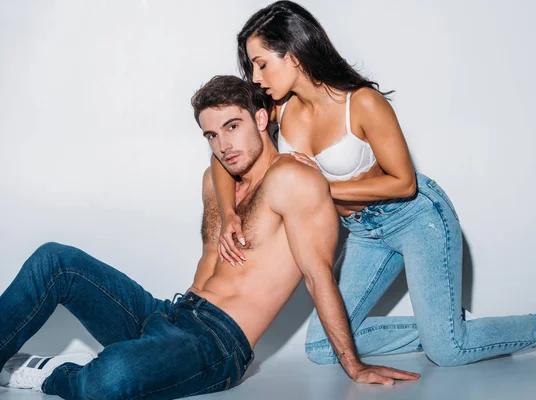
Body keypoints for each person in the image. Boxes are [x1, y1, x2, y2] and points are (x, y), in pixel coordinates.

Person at [210, 0, 536, 367]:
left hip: (416, 219)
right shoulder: (278, 109)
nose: (256, 78)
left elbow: (403, 183)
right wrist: (228, 213)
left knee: (448, 353)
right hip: (361, 232)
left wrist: (317, 191)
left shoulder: (361, 103)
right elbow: (223, 155)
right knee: (319, 348)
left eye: (261, 64)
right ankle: (445, 326)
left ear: (292, 54)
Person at [0, 75, 421, 399]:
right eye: (211, 135)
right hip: (170, 313)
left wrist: (353, 365)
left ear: (261, 119)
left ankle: (52, 373)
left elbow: (318, 276)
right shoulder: (216, 182)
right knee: (55, 259)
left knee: (113, 377)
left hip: (217, 344)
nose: (223, 144)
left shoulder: (294, 181)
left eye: (232, 126)